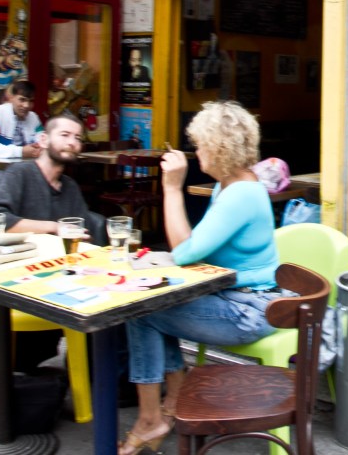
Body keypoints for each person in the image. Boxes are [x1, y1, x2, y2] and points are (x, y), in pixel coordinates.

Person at [119, 101, 280, 455]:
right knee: (155, 304)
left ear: (220, 148)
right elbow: (200, 251)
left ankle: (153, 418)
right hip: (238, 297)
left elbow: (185, 251)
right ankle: (173, 404)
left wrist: (172, 188)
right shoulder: (232, 184)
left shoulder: (240, 194)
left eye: (201, 144)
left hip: (250, 309)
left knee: (140, 312)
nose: (196, 153)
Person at [0, 113, 106, 373]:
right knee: (22, 365)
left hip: (62, 281)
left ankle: (92, 377)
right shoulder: (20, 173)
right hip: (21, 281)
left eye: (77, 138)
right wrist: (52, 227)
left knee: (108, 319)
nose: (72, 142)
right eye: (65, 135)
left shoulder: (69, 186)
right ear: (43, 139)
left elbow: (83, 233)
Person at [0, 79, 44, 162]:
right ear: (11, 98)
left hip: (24, 170)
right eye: (22, 100)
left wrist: (40, 147)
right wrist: (20, 151)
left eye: (31, 101)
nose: (26, 105)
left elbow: (43, 141)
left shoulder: (33, 117)